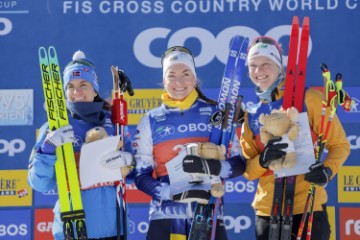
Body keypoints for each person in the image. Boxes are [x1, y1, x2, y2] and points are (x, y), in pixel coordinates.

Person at [240, 36, 350, 240]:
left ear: (279, 67)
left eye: (266, 64)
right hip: (267, 212)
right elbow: (248, 171)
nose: (259, 71)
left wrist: (327, 171)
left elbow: (340, 145)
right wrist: (263, 160)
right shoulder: (252, 114)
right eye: (253, 65)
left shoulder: (310, 99)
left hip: (307, 207)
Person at [133, 46, 246, 239]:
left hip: (208, 213)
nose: (179, 82)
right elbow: (140, 175)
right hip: (165, 217)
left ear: (194, 79)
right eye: (172, 75)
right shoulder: (150, 120)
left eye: (186, 74)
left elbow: (239, 163)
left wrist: (214, 167)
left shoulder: (215, 115)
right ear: (164, 81)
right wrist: (171, 192)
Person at [28, 50, 133, 240]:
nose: (77, 92)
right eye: (71, 86)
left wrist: (128, 161)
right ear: (65, 92)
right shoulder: (53, 127)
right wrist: (48, 148)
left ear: (94, 89)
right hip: (73, 226)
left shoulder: (114, 124)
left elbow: (134, 173)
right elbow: (39, 183)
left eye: (83, 85)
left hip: (114, 228)